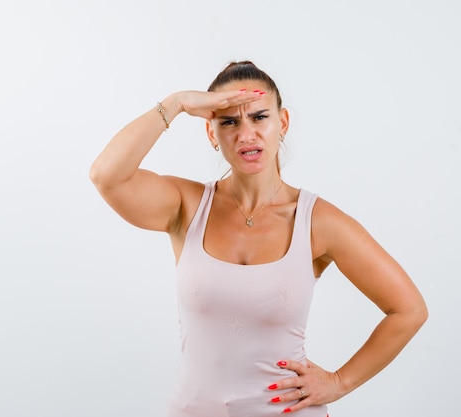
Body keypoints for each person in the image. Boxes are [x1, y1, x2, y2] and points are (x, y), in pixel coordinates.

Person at [89, 61, 428, 416]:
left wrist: (340, 382)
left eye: (259, 117)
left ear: (282, 123)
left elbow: (408, 310)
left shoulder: (316, 221)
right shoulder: (186, 207)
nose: (246, 134)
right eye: (229, 121)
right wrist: (176, 103)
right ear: (211, 133)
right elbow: (106, 176)